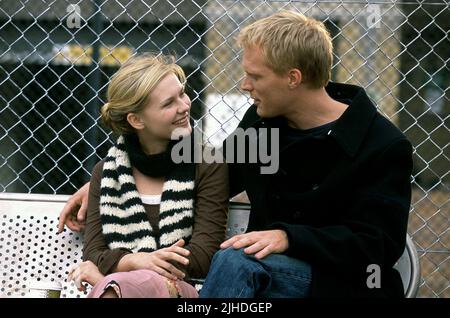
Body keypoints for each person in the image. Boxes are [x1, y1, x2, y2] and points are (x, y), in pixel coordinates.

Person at [59, 11, 413, 298]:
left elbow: (377, 246)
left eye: (254, 76)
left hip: (337, 285)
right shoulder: (264, 124)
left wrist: (290, 237)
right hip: (255, 284)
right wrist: (116, 180)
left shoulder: (380, 144)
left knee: (235, 259)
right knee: (236, 263)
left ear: (292, 78)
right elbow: (209, 171)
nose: (245, 86)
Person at [64, 54, 229, 298]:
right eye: (168, 103)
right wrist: (135, 262)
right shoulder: (108, 171)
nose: (185, 106)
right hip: (122, 285)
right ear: (136, 120)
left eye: (182, 93)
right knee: (117, 288)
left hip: (179, 289)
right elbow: (94, 252)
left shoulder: (206, 164)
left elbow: (203, 256)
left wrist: (131, 265)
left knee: (115, 288)